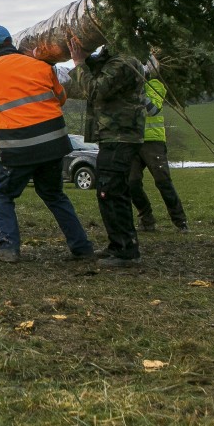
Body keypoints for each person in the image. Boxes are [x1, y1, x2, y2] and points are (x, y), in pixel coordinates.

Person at [0, 26, 94, 262]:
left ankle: (8, 249)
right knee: (54, 194)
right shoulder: (41, 66)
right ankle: (82, 248)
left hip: (19, 147)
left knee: (2, 195)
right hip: (54, 144)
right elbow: (61, 98)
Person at [68, 37, 146, 267]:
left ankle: (126, 251)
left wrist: (79, 63)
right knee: (108, 190)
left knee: (111, 191)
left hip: (120, 136)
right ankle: (118, 244)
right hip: (113, 135)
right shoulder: (115, 59)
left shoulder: (124, 62)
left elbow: (95, 90)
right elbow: (99, 67)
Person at [129, 71, 190, 232]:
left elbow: (153, 110)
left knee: (163, 182)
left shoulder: (156, 86)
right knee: (131, 182)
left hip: (153, 142)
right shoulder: (127, 87)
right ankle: (146, 218)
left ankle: (180, 221)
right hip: (132, 141)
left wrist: (137, 88)